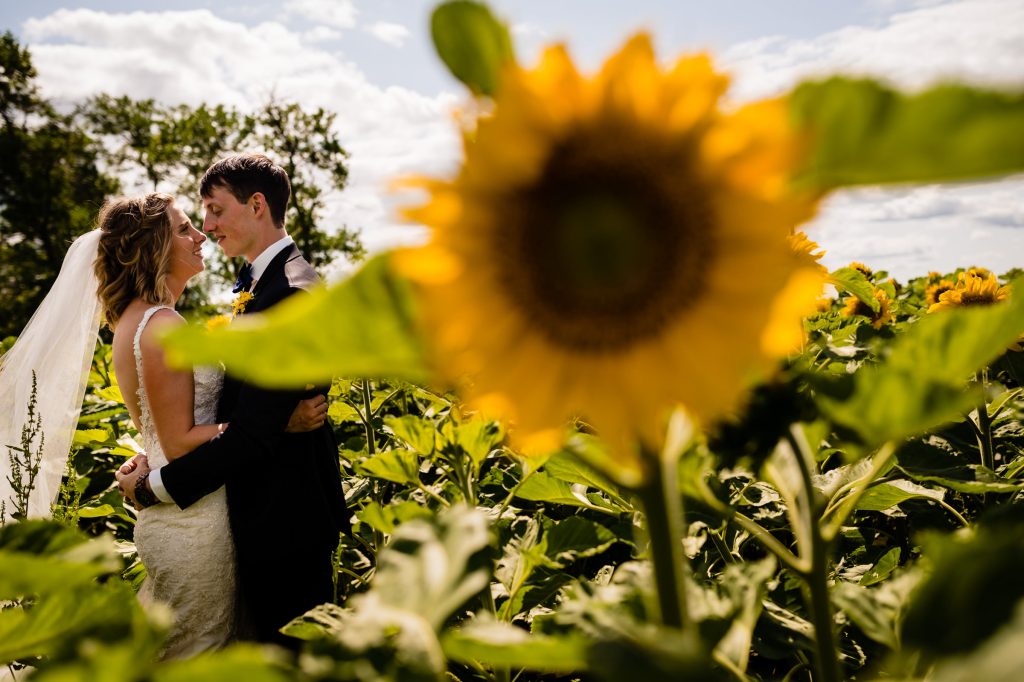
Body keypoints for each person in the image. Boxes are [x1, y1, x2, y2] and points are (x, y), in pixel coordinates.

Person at [0, 190, 328, 659]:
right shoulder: (163, 326)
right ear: (153, 248)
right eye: (183, 229)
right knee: (196, 655)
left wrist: (147, 460)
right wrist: (276, 422)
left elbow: (160, 434)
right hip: (195, 526)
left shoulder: (134, 323)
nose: (201, 236)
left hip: (183, 515)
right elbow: (176, 443)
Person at [117, 153, 350, 649]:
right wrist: (276, 422)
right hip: (253, 516)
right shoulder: (262, 284)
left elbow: (250, 435)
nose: (207, 226)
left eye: (215, 209)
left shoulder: (289, 293)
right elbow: (251, 418)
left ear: (257, 205)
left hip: (286, 521)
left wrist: (152, 488)